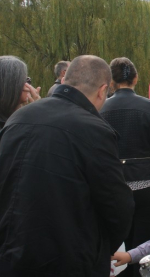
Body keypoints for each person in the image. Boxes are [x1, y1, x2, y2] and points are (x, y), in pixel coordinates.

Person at [0, 55, 134, 276]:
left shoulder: (18, 117)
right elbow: (117, 205)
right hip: (68, 258)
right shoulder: (95, 130)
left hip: (12, 251)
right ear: (102, 91)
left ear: (64, 81)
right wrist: (100, 249)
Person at [100, 57, 150, 277]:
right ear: (136, 78)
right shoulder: (149, 107)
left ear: (112, 81)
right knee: (147, 247)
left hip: (115, 188)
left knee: (119, 248)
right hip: (149, 185)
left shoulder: (100, 109)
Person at [0, 55, 40, 129]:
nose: (28, 86)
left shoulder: (17, 118)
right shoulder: (13, 126)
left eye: (28, 80)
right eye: (25, 80)